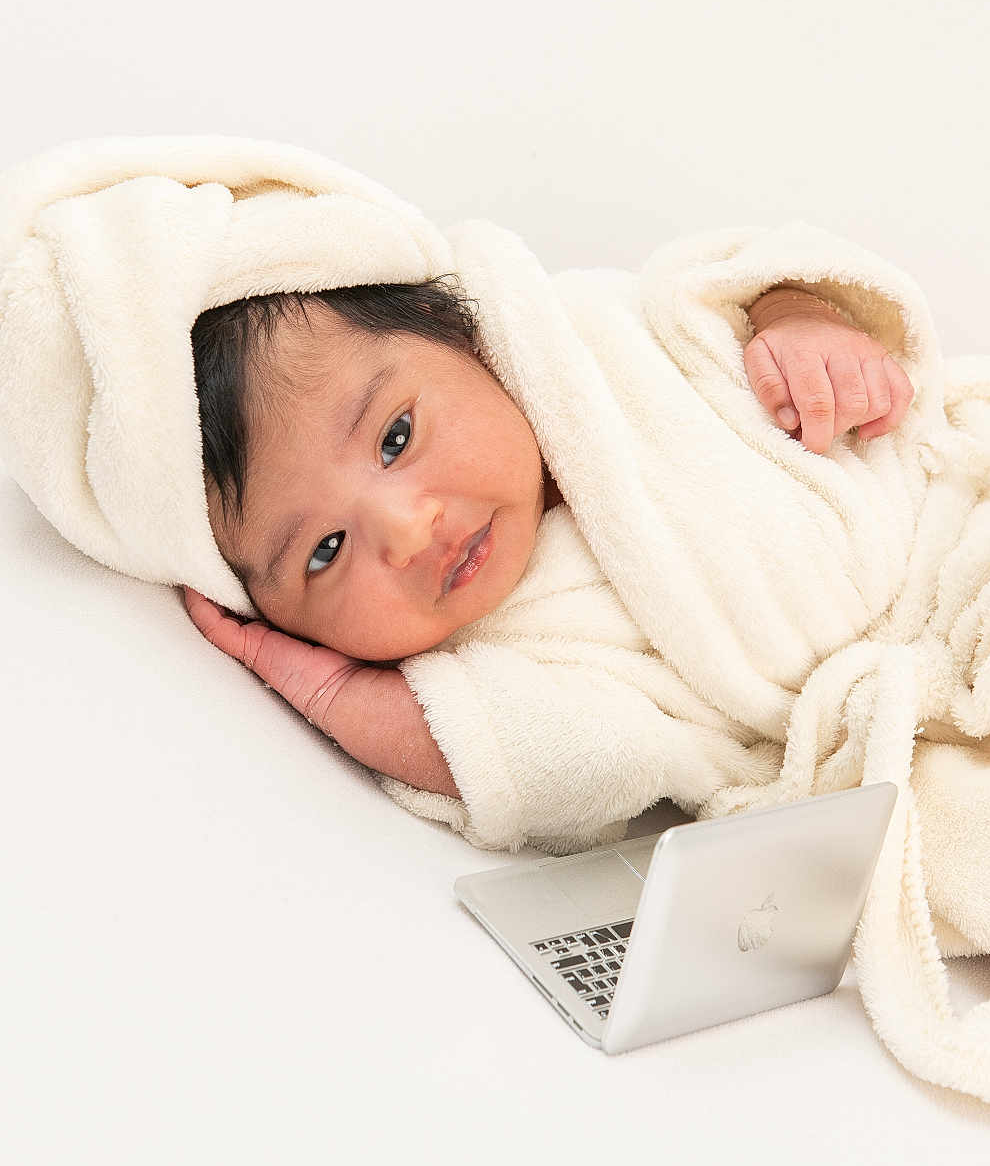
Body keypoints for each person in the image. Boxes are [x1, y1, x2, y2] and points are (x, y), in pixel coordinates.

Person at [182, 277, 914, 800]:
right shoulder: (499, 656)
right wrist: (338, 693)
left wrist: (799, 322)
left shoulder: (596, 347)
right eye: (325, 551)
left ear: (461, 335)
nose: (408, 533)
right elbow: (582, 760)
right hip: (899, 727)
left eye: (396, 437)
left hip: (946, 528)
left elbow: (736, 279)